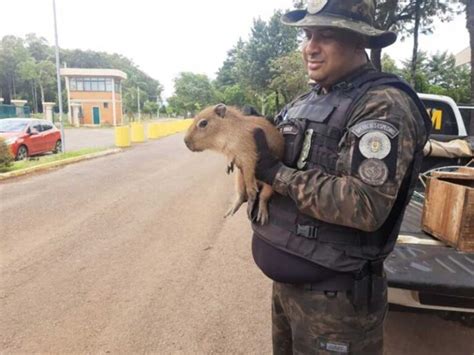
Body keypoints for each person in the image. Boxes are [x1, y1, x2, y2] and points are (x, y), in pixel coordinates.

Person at [250, 0, 432, 354]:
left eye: (326, 35)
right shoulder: (308, 99)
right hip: (290, 291)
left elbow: (364, 205)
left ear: (358, 41)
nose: (309, 48)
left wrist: (278, 175)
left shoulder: (383, 104)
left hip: (337, 303)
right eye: (307, 35)